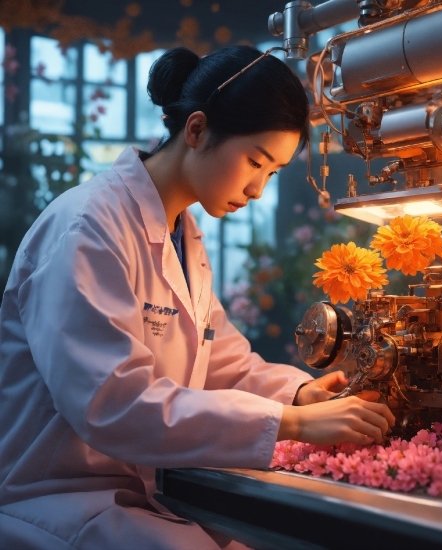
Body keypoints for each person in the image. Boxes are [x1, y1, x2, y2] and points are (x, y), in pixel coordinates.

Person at [0, 46, 394, 550]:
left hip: (141, 494)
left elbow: (225, 366)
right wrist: (291, 423)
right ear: (197, 129)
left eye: (271, 173)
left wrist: (299, 395)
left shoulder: (182, 239)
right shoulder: (88, 229)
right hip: (56, 499)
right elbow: (111, 403)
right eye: (255, 161)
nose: (256, 189)